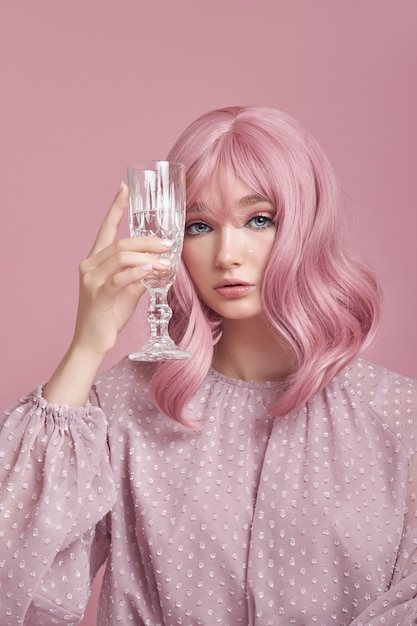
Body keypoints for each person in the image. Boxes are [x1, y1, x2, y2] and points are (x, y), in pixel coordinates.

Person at [1, 105, 416, 626]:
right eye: (198, 226)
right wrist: (86, 347)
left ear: (309, 227)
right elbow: (16, 574)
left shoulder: (399, 418)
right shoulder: (125, 407)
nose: (226, 254)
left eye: (259, 219)